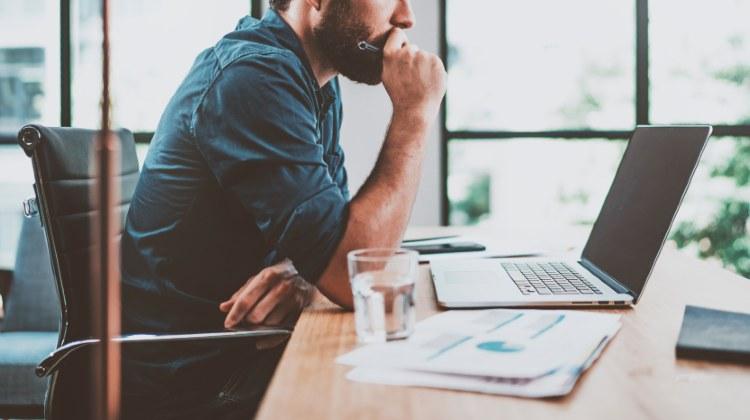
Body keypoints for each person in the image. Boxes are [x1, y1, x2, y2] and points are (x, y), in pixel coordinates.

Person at [120, 0, 446, 417]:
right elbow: (357, 273)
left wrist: (305, 275)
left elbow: (336, 242)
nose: (406, 18)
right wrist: (415, 113)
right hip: (191, 385)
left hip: (243, 355)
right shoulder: (254, 77)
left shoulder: (315, 84)